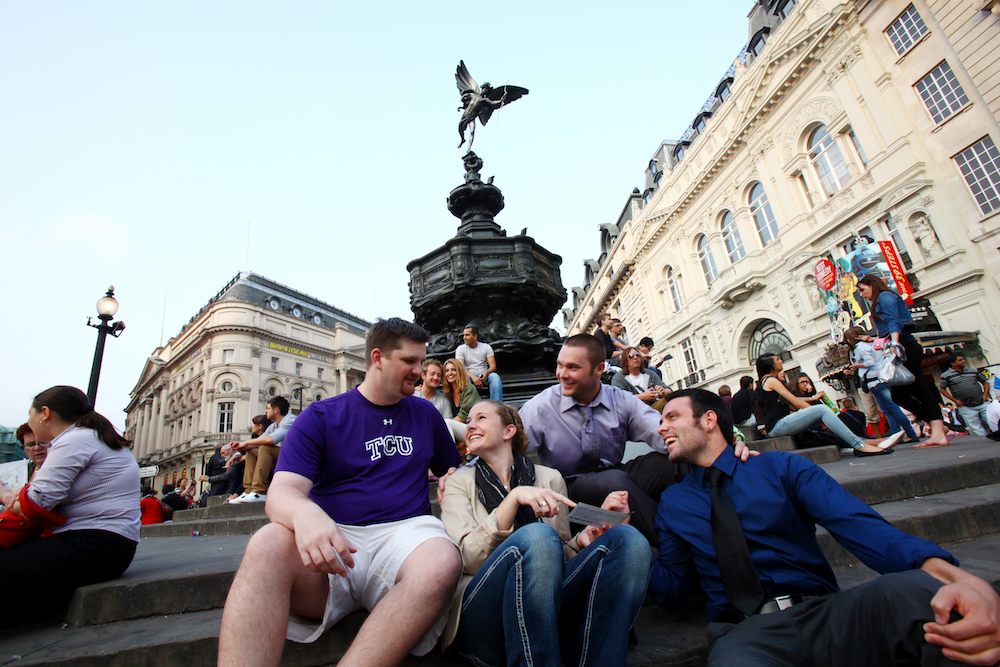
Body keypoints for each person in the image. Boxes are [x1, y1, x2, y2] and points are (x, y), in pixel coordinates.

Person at [650, 388, 1000, 667]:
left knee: (918, 593)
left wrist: (960, 580)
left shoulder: (780, 468)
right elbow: (674, 591)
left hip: (826, 613)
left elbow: (857, 525)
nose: (661, 426)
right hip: (744, 635)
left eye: (671, 417)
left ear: (708, 420)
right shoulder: (673, 503)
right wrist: (621, 545)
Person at [218, 318, 463, 667]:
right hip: (333, 543)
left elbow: (450, 469)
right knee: (266, 543)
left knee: (442, 560)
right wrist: (305, 514)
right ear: (377, 358)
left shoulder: (425, 413)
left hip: (406, 538)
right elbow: (281, 492)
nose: (420, 372)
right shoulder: (319, 417)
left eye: (422, 362)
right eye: (410, 361)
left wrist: (460, 475)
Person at [439, 400, 650, 666]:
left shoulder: (549, 479)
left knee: (628, 540)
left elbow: (558, 552)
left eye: (481, 418)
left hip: (545, 611)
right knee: (537, 535)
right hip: (485, 618)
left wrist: (584, 538)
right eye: (468, 420)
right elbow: (468, 559)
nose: (470, 425)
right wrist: (513, 499)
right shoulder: (458, 482)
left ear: (508, 431)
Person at [518, 334, 751, 544]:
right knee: (616, 482)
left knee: (679, 459)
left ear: (599, 369)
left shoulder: (620, 400)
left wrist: (727, 442)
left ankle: (734, 521)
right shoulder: (541, 406)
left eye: (572, 367)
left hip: (617, 474)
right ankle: (678, 545)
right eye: (559, 365)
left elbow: (664, 431)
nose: (561, 374)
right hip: (570, 492)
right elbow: (509, 449)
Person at [0, 386, 140, 621]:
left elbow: (35, 503)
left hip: (95, 543)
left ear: (45, 413)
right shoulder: (88, 436)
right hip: (106, 543)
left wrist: (3, 494)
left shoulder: (75, 440)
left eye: (30, 415)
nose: (29, 422)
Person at [858, 274, 950, 447]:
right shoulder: (881, 299)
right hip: (900, 345)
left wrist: (894, 342)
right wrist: (875, 340)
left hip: (903, 346)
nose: (861, 294)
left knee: (919, 389)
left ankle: (938, 430)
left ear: (872, 285)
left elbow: (894, 321)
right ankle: (937, 426)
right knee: (902, 394)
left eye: (862, 290)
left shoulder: (884, 296)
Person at [755, 353, 903, 456]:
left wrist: (813, 406)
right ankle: (861, 446)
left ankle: (873, 442)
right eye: (777, 359)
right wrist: (819, 418)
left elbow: (792, 402)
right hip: (778, 426)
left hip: (779, 424)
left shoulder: (766, 382)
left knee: (822, 411)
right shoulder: (771, 380)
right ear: (770, 364)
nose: (781, 360)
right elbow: (797, 402)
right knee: (822, 409)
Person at [845, 326, 919, 443]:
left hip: (874, 381)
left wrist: (856, 366)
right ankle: (896, 434)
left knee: (892, 408)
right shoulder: (874, 343)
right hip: (881, 377)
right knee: (888, 409)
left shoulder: (860, 348)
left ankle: (910, 433)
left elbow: (869, 362)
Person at [230, 399, 295, 504]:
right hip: (283, 457)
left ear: (276, 410)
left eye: (268, 408)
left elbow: (271, 439)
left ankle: (259, 491)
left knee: (265, 448)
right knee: (252, 451)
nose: (266, 411)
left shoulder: (290, 420)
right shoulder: (273, 426)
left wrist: (246, 443)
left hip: (294, 459)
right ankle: (248, 491)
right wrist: (239, 446)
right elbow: (257, 443)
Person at [939, 353, 991, 436]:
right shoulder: (946, 375)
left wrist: (985, 395)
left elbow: (985, 382)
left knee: (991, 423)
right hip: (965, 406)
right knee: (977, 429)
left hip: (982, 403)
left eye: (963, 359)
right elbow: (942, 388)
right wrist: (955, 400)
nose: (964, 361)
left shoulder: (972, 371)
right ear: (953, 363)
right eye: (960, 360)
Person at [418, 359, 466, 447]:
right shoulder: (412, 396)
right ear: (423, 375)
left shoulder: (443, 400)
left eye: (439, 375)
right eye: (432, 374)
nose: (436, 378)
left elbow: (447, 426)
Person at [611, 346, 669, 413]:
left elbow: (668, 390)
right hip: (634, 413)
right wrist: (643, 396)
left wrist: (662, 391)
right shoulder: (619, 378)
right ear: (625, 361)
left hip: (654, 408)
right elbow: (619, 400)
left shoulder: (649, 373)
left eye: (638, 355)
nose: (635, 357)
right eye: (631, 356)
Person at [456, 325, 503, 401]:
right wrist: (473, 377)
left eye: (467, 335)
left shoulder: (486, 347)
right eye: (464, 335)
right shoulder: (460, 349)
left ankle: (497, 405)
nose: (464, 337)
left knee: (495, 377)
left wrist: (486, 373)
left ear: (475, 337)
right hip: (468, 375)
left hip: (484, 375)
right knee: (465, 379)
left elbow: (493, 366)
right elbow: (460, 368)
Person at [442, 358, 481, 424]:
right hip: (457, 427)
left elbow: (464, 415)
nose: (450, 373)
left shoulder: (469, 388)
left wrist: (444, 426)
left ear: (459, 372)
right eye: (446, 371)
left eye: (453, 370)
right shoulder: (447, 393)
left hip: (473, 425)